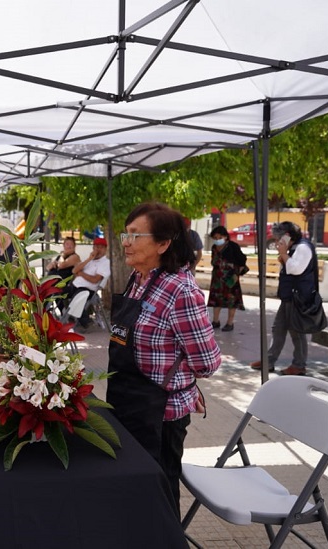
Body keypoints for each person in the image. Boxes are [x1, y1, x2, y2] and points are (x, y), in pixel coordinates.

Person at [107, 202, 221, 517]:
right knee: (133, 489)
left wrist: (185, 382)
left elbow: (207, 362)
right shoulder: (138, 278)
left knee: (158, 492)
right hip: (127, 400)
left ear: (163, 243)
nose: (126, 242)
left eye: (135, 235)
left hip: (160, 413)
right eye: (125, 234)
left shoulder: (181, 291)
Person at [251, 221, 317, 376]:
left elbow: (295, 269)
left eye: (278, 238)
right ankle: (269, 361)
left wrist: (284, 253)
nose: (276, 241)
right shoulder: (292, 248)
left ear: (287, 236)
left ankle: (299, 365)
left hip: (299, 297)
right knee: (278, 329)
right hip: (289, 296)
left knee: (297, 332)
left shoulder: (303, 248)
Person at [206, 226, 247, 332]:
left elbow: (242, 261)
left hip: (230, 278)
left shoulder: (233, 246)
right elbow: (214, 261)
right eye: (215, 237)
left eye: (219, 237)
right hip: (217, 278)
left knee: (231, 301)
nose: (217, 239)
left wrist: (236, 274)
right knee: (216, 299)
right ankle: (215, 321)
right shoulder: (214, 248)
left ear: (225, 236)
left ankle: (230, 323)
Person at [67, 236, 110, 330]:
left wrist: (81, 274)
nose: (97, 249)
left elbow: (95, 279)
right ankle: (68, 317)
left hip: (88, 289)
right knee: (56, 292)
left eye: (100, 247)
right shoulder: (90, 260)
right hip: (74, 286)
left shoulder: (105, 263)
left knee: (77, 300)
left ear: (105, 249)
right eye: (95, 247)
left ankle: (86, 323)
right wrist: (89, 259)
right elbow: (74, 271)